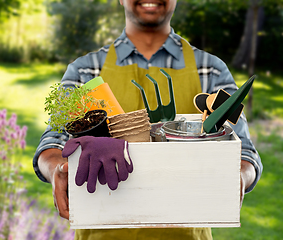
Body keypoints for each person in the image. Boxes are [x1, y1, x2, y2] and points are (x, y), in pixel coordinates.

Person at [33, 0, 263, 239]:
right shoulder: (85, 71)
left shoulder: (211, 70)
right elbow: (53, 143)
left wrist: (238, 175)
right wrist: (57, 168)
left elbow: (244, 152)